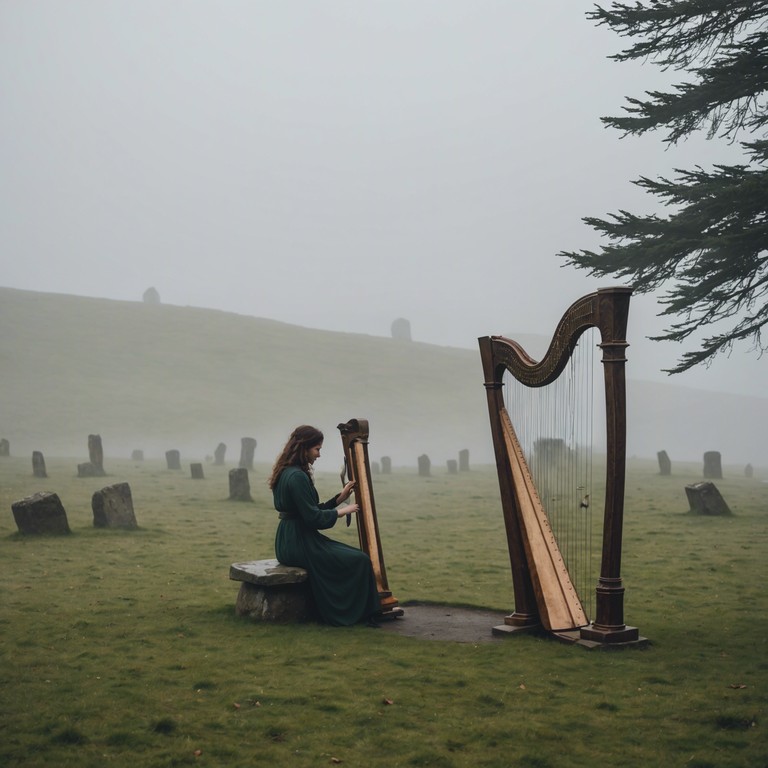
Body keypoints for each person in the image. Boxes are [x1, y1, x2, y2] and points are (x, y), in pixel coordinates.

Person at [268, 425, 381, 626]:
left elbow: (309, 511)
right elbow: (314, 519)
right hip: (299, 542)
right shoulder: (296, 477)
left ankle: (361, 609)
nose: (319, 454)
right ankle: (353, 613)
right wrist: (343, 511)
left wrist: (340, 498)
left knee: (352, 555)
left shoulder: (287, 472)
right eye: (317, 449)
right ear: (304, 448)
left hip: (289, 539)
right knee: (360, 560)